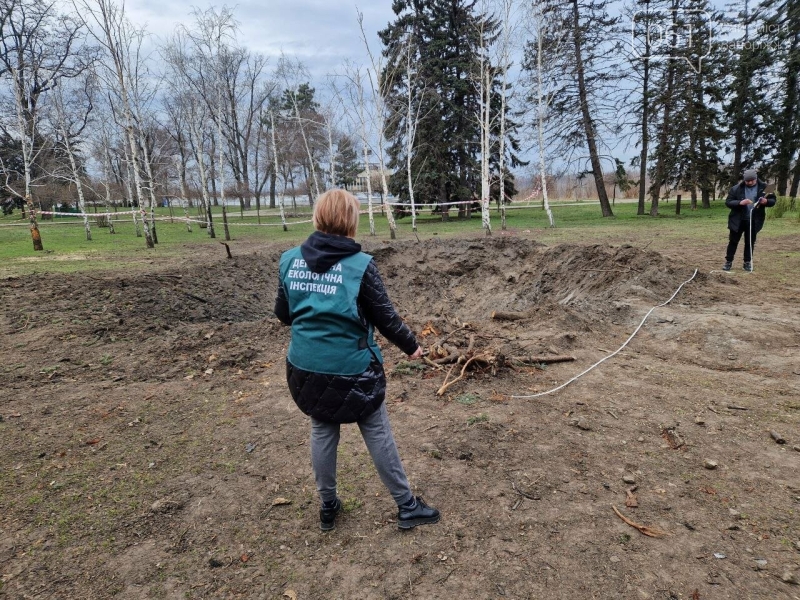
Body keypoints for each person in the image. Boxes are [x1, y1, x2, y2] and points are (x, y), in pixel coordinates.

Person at [274, 189, 440, 532]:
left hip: (305, 369)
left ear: (319, 217)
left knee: (322, 429)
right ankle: (407, 506)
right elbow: (386, 318)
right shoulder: (360, 265)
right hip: (353, 370)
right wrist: (412, 347)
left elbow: (284, 315)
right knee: (376, 430)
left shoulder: (289, 259)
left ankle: (328, 505)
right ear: (350, 221)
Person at [723, 169, 776, 272]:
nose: (750, 182)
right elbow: (728, 202)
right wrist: (740, 202)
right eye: (747, 181)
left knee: (750, 242)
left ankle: (747, 262)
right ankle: (728, 262)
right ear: (744, 180)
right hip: (738, 220)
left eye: (752, 180)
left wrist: (766, 201)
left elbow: (773, 200)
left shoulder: (765, 187)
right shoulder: (736, 189)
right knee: (733, 241)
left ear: (756, 179)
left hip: (754, 220)